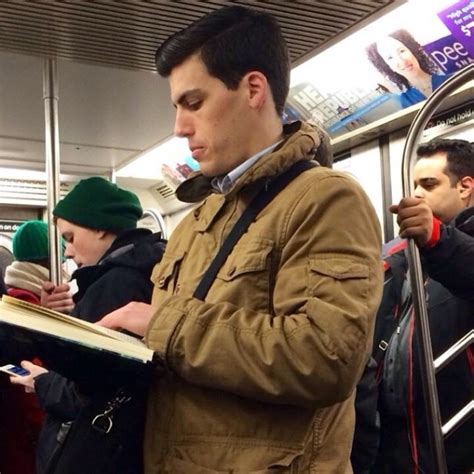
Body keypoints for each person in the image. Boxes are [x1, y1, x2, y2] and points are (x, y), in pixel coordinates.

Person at [98, 6, 383, 473]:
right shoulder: (200, 218)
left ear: (253, 89)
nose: (179, 127)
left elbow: (326, 356)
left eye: (193, 103)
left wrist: (161, 325)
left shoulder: (325, 200)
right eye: (176, 108)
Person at [10, 177, 166, 474]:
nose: (67, 251)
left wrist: (41, 381)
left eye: (69, 237)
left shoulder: (116, 285)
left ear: (99, 227)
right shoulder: (145, 271)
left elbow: (90, 387)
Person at [373, 138, 474, 473]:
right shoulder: (399, 252)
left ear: (465, 186)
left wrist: (436, 238)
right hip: (398, 436)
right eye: (414, 185)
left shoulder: (450, 245)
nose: (416, 194)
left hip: (456, 432)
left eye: (429, 184)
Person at [0, 220, 56, 474]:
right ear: (47, 259)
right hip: (26, 436)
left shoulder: (17, 297)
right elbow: (24, 375)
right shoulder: (25, 304)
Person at [366, 29, 449, 108]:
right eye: (390, 58)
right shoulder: (406, 101)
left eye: (402, 51)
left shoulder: (449, 80)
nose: (402, 61)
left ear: (413, 51)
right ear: (388, 66)